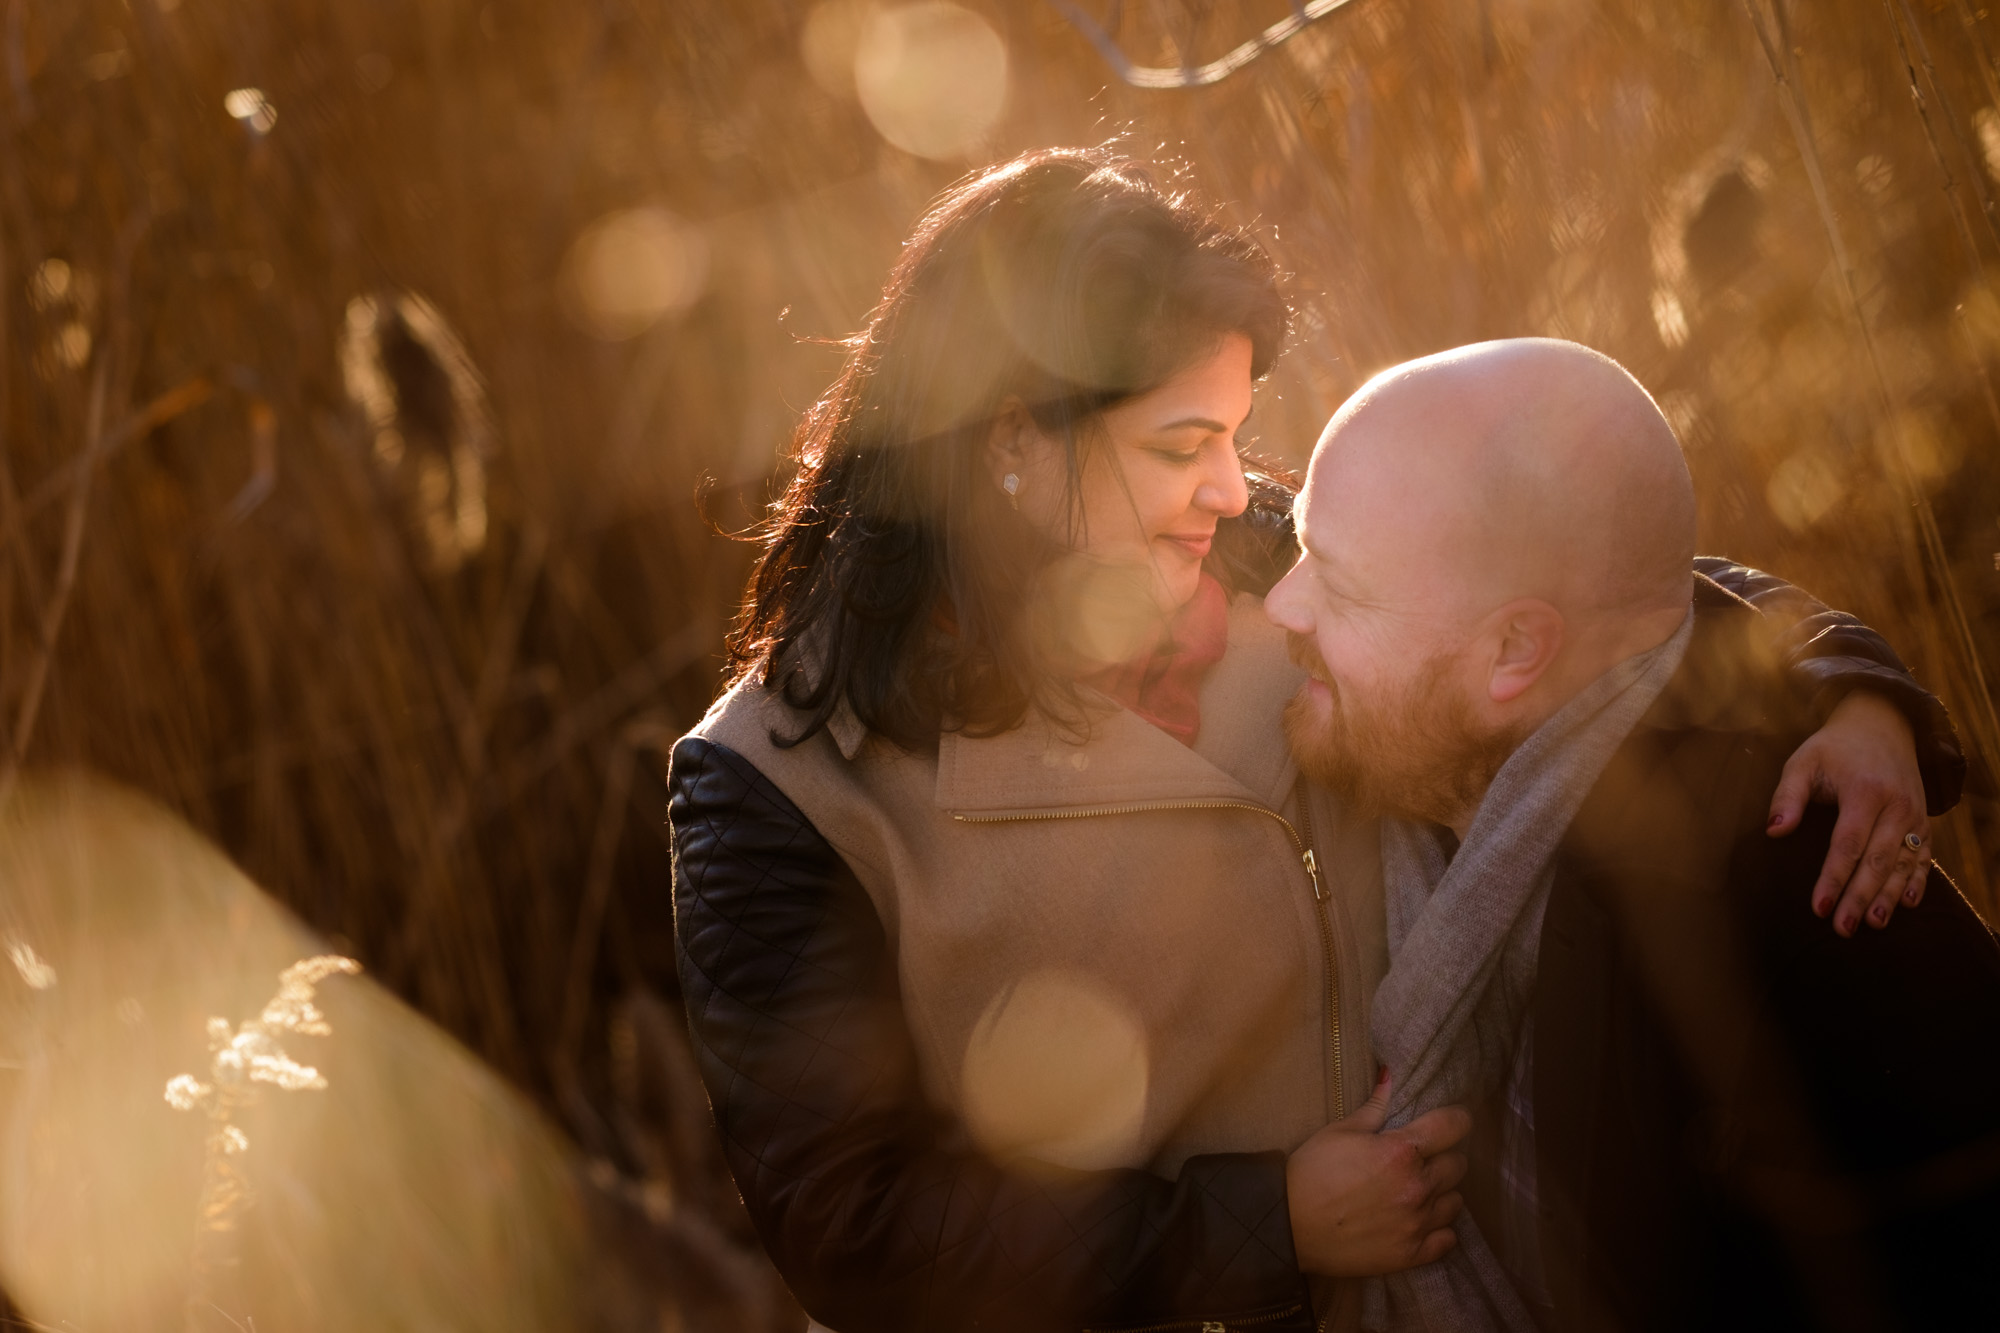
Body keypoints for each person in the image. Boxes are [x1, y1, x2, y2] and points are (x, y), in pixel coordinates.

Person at [667, 150, 1961, 1333]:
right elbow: (850, 1226)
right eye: (1185, 445)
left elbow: (1583, 586)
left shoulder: (1234, 553)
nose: (1238, 488)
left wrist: (1850, 696)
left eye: (1235, 437)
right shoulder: (775, 786)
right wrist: (1266, 1220)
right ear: (1015, 443)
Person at [1266, 337, 2000, 1332]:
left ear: (1514, 651)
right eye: (1301, 539)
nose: (1278, 601)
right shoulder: (1399, 756)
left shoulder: (1814, 881)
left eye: (1338, 582)